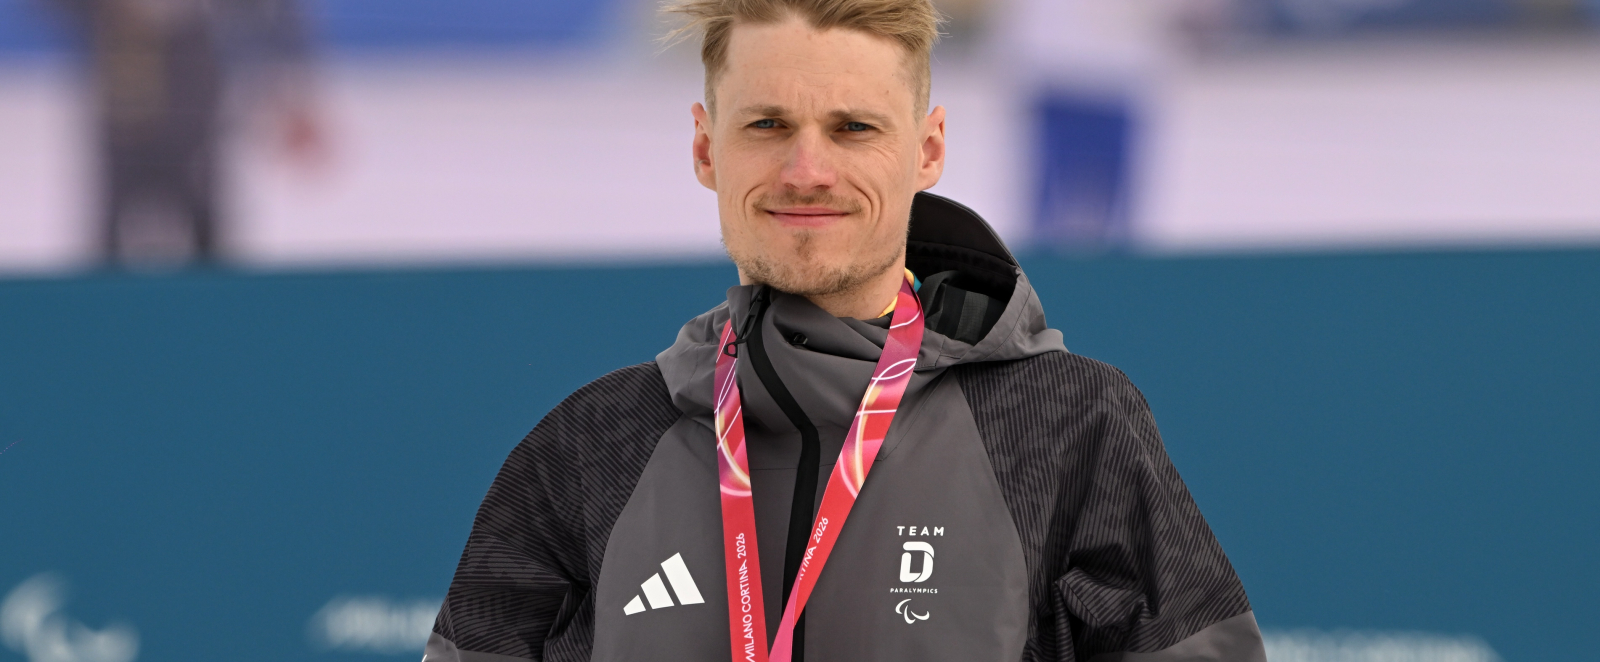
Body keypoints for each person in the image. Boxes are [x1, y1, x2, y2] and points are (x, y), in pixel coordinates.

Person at [425, 0, 1266, 660]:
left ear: (928, 150)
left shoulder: (1066, 426)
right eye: (767, 125)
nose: (807, 171)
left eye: (853, 128)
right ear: (705, 147)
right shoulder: (589, 448)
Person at [45, 0, 320, 266]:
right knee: (109, 245)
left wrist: (292, 90)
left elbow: (269, 15)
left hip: (191, 107)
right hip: (124, 96)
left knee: (207, 238)